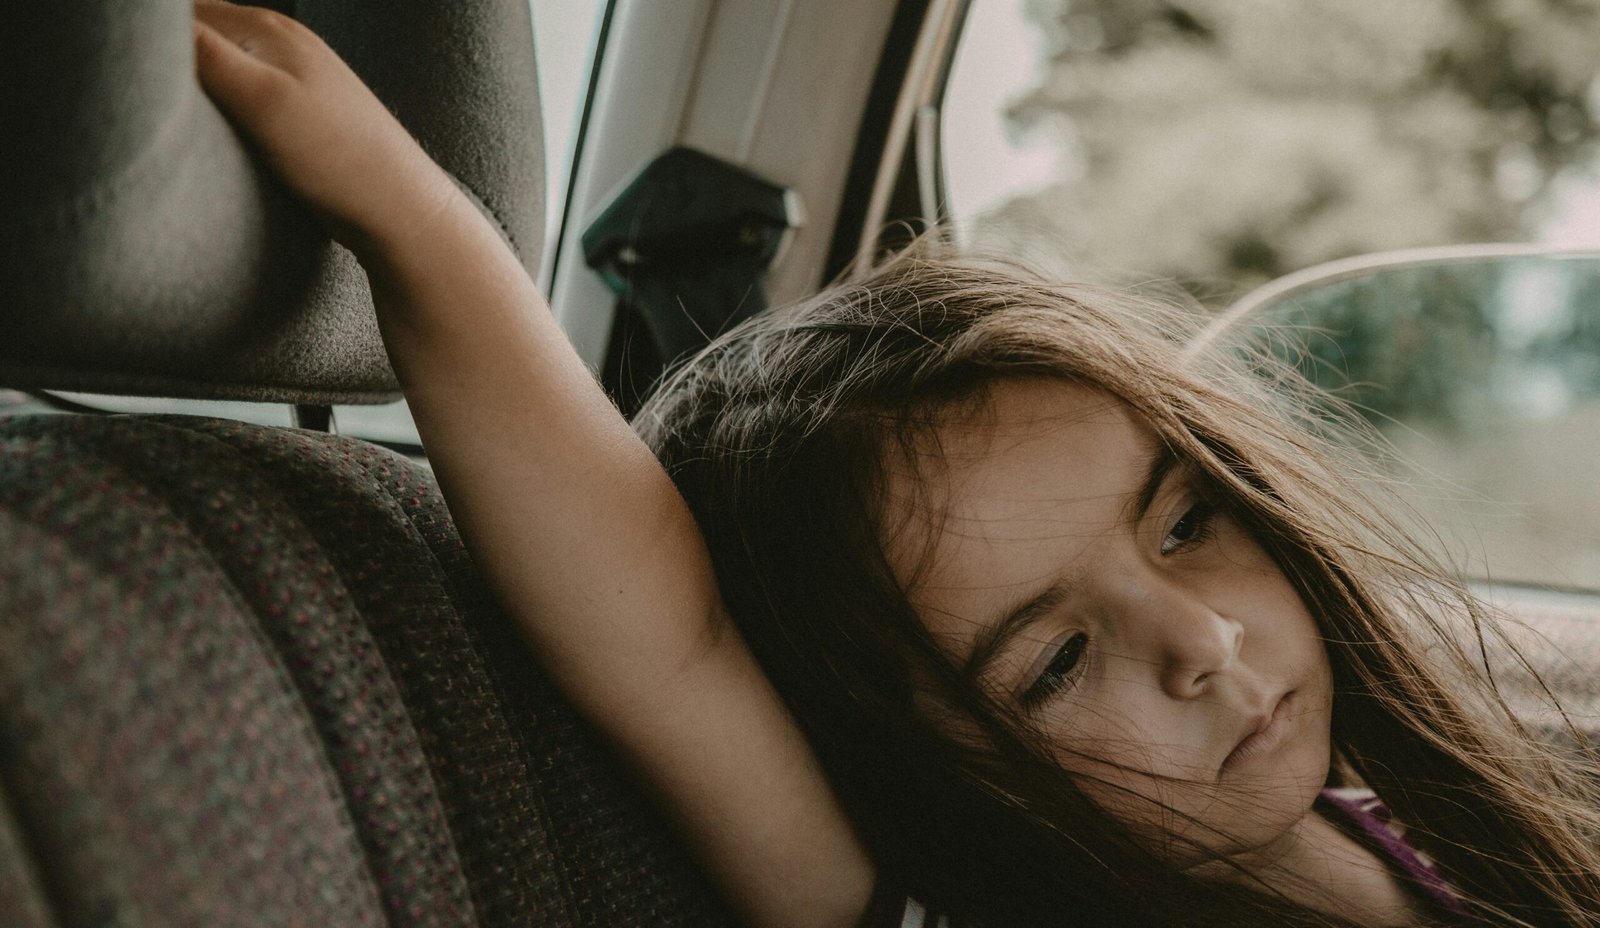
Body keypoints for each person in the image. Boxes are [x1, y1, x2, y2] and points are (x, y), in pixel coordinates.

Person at [191, 4, 1600, 926]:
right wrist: (406, 212)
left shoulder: (1401, 817)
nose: (1202, 640)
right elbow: (666, 643)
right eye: (1052, 663)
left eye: (1184, 524)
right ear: (912, 754)